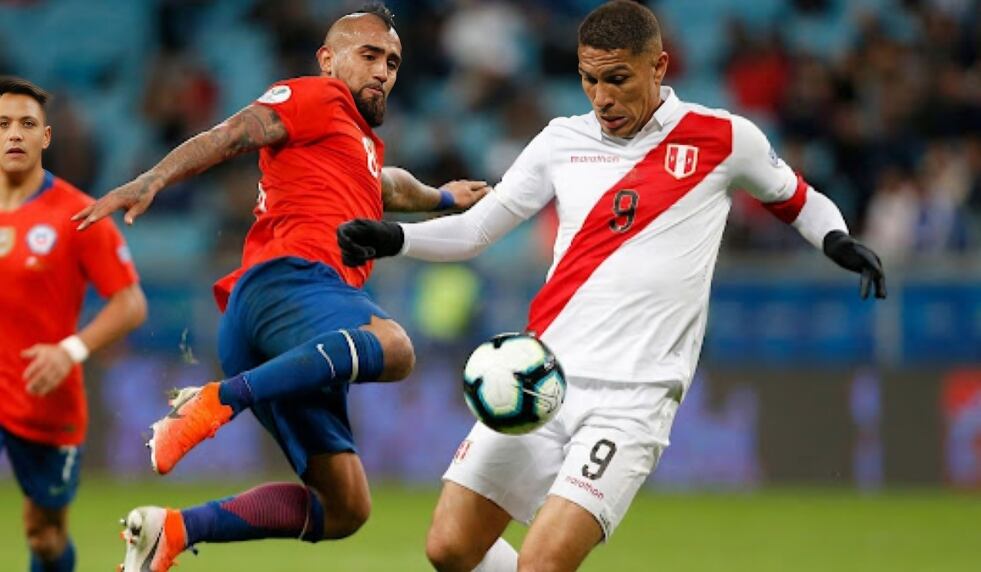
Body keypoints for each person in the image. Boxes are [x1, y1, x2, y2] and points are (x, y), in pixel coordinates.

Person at [337, 2, 888, 571]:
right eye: (589, 79)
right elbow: (480, 227)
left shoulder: (724, 139)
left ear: (659, 66)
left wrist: (836, 240)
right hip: (539, 378)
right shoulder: (560, 141)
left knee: (543, 564)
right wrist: (394, 238)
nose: (601, 97)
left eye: (617, 79)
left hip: (634, 398)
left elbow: (797, 198)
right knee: (449, 548)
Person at [73, 3, 488, 571]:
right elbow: (234, 132)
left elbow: (386, 186)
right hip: (290, 282)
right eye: (368, 55)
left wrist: (444, 199)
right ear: (328, 59)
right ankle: (216, 400)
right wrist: (153, 177)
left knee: (344, 507)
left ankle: (172, 531)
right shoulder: (317, 97)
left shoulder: (358, 146)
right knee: (395, 347)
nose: (383, 71)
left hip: (283, 329)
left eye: (391, 61)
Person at [0, 76, 147, 572]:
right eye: (2, 124)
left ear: (45, 137)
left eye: (26, 124)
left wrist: (71, 351)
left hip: (42, 398)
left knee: (44, 536)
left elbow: (130, 303)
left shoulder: (77, 215)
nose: (13, 134)